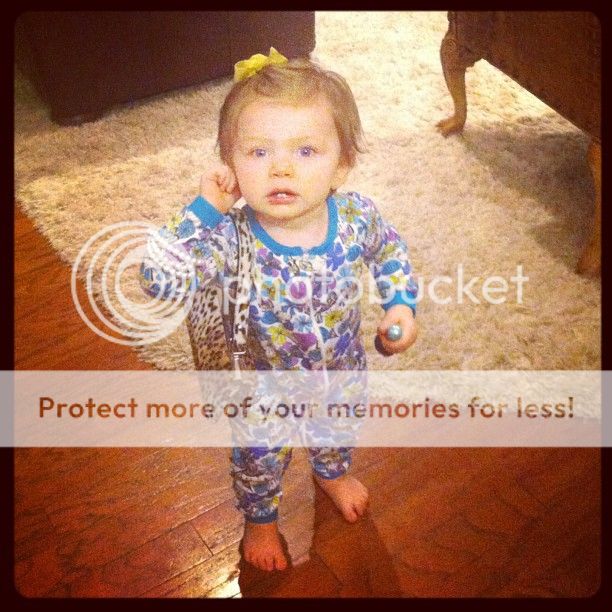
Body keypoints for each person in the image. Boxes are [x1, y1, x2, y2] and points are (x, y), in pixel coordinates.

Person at [140, 48, 418, 572]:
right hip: (263, 388)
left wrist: (400, 304)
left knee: (338, 428)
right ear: (230, 166)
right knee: (259, 458)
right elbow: (158, 278)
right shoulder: (229, 237)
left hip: (341, 372)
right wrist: (203, 212)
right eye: (258, 151)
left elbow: (389, 251)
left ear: (342, 165)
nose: (281, 167)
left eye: (306, 150)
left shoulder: (356, 217)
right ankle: (261, 518)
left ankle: (331, 472)